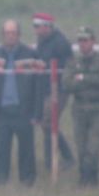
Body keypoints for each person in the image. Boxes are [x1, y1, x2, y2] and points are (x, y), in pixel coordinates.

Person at [0, 20, 42, 186]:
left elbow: (38, 85)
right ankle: (1, 180)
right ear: (3, 35)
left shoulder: (31, 54)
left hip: (24, 110)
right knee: (1, 150)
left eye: (13, 32)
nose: (10, 35)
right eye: (7, 32)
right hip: (2, 111)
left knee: (26, 149)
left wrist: (36, 112)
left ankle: (27, 181)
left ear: (19, 34)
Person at [64, 28, 99, 186]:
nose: (83, 44)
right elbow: (67, 84)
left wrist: (82, 78)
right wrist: (91, 80)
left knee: (94, 148)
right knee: (81, 148)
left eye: (86, 40)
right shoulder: (73, 61)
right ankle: (84, 180)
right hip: (79, 109)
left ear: (93, 41)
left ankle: (92, 179)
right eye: (80, 41)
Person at [34, 13, 75, 173]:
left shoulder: (60, 43)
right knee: (47, 124)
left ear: (47, 26)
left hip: (58, 88)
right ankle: (53, 159)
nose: (36, 30)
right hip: (46, 87)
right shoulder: (43, 42)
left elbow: (67, 67)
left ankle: (63, 157)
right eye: (35, 27)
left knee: (48, 122)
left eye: (38, 26)